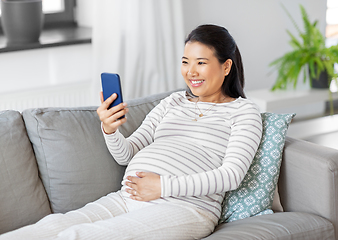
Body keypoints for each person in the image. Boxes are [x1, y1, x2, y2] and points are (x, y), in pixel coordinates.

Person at [0, 24, 262, 240]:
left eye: (201, 63)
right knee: (47, 229)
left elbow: (231, 176)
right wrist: (110, 129)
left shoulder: (243, 112)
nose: (190, 72)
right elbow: (127, 154)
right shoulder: (173, 102)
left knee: (80, 236)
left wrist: (162, 186)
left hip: (185, 207)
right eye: (185, 61)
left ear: (226, 67)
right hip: (127, 197)